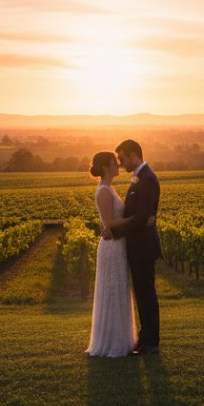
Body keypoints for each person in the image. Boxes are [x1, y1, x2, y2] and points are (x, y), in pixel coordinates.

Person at [104, 139, 162, 356]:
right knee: (142, 293)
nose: (120, 163)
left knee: (146, 294)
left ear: (133, 155)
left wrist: (115, 231)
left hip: (143, 246)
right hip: (137, 245)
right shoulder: (140, 177)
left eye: (122, 158)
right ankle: (145, 339)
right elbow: (138, 216)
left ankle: (151, 343)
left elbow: (141, 217)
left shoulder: (147, 178)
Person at [85, 151, 138, 357]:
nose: (118, 165)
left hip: (116, 243)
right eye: (114, 163)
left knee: (118, 289)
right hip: (113, 246)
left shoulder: (107, 189)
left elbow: (104, 222)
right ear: (106, 168)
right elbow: (109, 223)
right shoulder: (104, 191)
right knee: (113, 290)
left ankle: (119, 340)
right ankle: (111, 342)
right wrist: (135, 219)